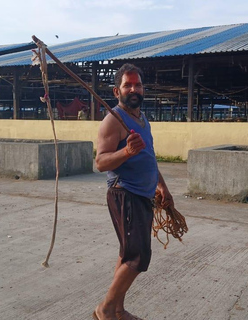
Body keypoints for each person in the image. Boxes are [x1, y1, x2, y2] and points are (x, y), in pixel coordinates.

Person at [94, 63, 173, 320]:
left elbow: (148, 157)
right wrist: (126, 151)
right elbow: (100, 162)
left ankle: (117, 309)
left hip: (143, 195)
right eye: (128, 85)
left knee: (127, 253)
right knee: (138, 256)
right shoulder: (113, 120)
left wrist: (162, 186)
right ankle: (104, 310)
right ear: (117, 91)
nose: (134, 89)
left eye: (137, 84)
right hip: (124, 193)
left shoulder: (142, 118)